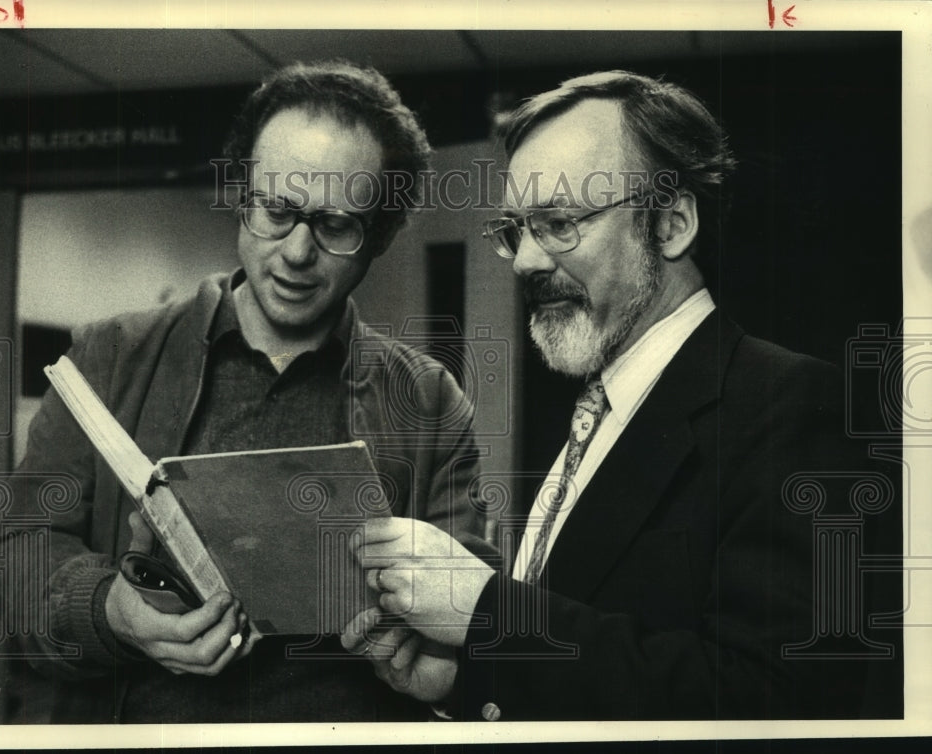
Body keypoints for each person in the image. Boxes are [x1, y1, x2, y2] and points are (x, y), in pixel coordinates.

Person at [342, 70, 896, 720]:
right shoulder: (592, 409)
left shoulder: (791, 406)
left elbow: (775, 701)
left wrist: (484, 611)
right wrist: (462, 679)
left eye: (558, 222)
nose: (524, 261)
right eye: (516, 230)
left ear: (671, 223)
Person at [0, 61, 483, 723]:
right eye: (277, 209)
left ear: (379, 237)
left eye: (335, 225)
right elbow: (15, 554)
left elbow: (474, 611)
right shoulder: (109, 356)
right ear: (242, 196)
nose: (297, 252)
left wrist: (432, 650)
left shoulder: (427, 401)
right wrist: (109, 609)